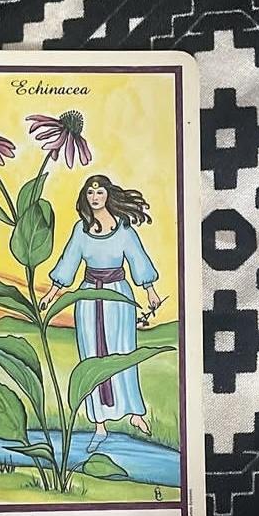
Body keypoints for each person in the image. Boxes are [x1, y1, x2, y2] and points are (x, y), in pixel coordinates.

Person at [39, 174, 161, 437]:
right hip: (87, 299)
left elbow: (138, 259)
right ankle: (99, 423)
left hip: (118, 299)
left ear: (108, 195)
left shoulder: (124, 228)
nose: (95, 197)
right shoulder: (81, 230)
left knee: (123, 352)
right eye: (90, 193)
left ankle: (135, 413)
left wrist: (150, 290)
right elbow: (69, 262)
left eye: (100, 192)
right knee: (92, 356)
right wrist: (51, 294)